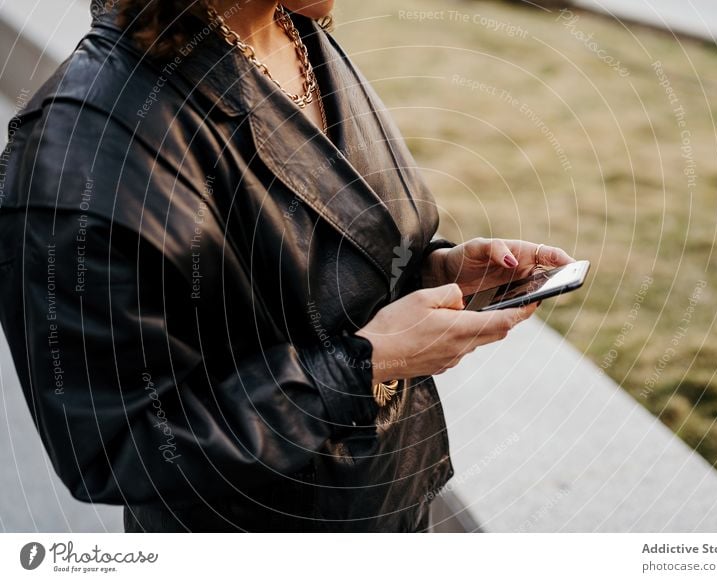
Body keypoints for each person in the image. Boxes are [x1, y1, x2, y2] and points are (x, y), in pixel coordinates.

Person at [0, 0, 573, 532]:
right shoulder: (81, 153)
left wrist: (432, 271)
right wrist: (363, 364)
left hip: (387, 504)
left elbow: (314, 259)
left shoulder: (292, 31)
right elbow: (116, 448)